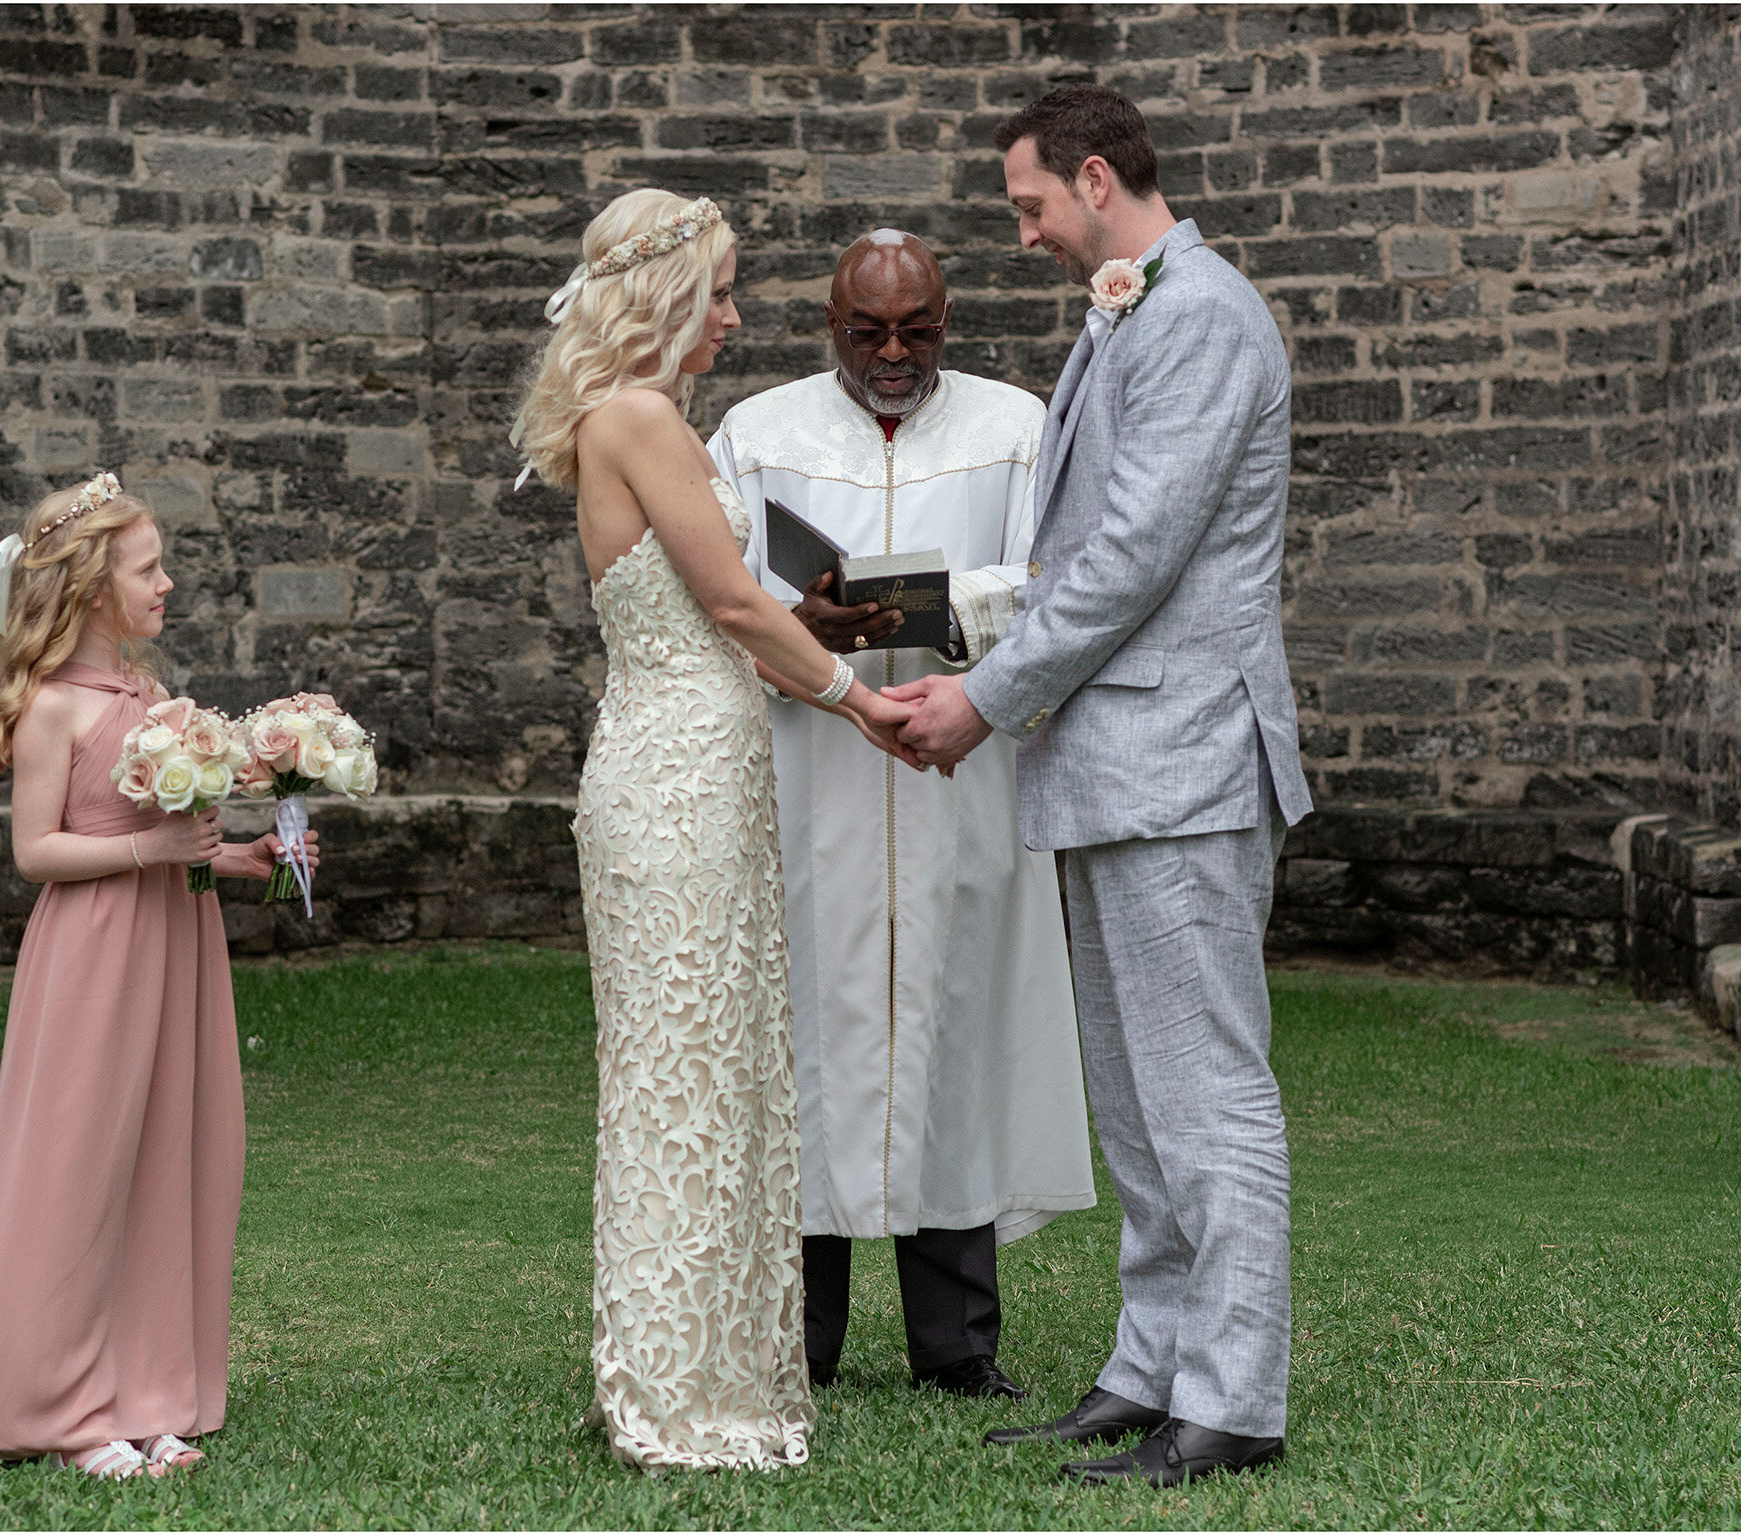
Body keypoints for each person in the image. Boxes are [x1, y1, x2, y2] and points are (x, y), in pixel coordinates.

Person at [890, 83, 1315, 1487]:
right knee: (1136, 1103)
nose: (1024, 239)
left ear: (1091, 177)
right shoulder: (1136, 307)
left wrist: (985, 694)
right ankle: (1152, 1363)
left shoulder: (1196, 316)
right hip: (1115, 759)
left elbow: (1131, 553)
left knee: (1207, 1092)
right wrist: (948, 630)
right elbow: (1083, 552)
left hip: (1183, 760)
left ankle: (1235, 1394)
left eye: (1028, 208)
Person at [510, 189, 919, 1470]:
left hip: (700, 761)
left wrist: (815, 635)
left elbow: (727, 605)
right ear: (668, 295)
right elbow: (733, 607)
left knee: (714, 1066)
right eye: (724, 291)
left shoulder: (643, 420)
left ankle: (699, 1354)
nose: (737, 316)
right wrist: (856, 698)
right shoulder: (634, 415)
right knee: (677, 1075)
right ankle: (672, 1387)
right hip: (673, 774)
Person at [708, 231, 1095, 1401]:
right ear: (827, 321)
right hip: (810, 771)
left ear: (947, 316)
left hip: (953, 767)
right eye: (864, 330)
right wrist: (803, 618)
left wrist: (926, 602)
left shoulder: (1013, 426)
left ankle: (957, 1346)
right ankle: (798, 1340)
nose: (890, 352)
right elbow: (716, 587)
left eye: (914, 329)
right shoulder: (757, 432)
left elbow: (1058, 576)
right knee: (807, 1038)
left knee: (952, 1025)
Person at [0, 474, 316, 1479]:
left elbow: (169, 835)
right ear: (96, 589)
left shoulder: (152, 700)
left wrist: (232, 860)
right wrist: (154, 856)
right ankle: (59, 1408)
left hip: (174, 941)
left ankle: (145, 1391)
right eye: (149, 568)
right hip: (94, 953)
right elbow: (37, 852)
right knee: (78, 1167)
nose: (168, 583)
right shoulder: (53, 707)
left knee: (168, 1157)